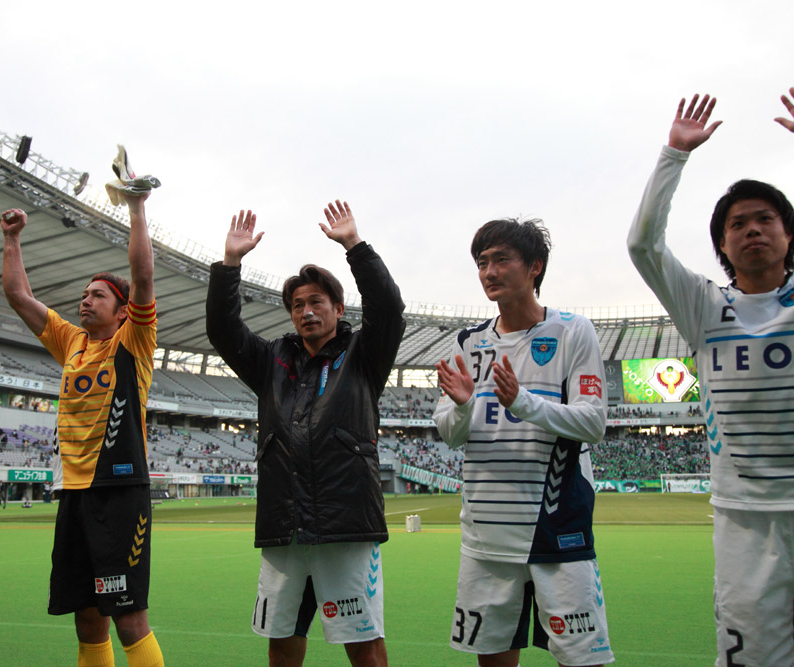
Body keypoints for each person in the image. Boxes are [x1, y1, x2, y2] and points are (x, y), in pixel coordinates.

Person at [628, 90, 794, 666]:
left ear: (789, 235)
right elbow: (643, 245)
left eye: (766, 219)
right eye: (738, 223)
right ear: (722, 244)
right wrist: (674, 154)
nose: (753, 230)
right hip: (744, 520)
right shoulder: (704, 307)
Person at [206, 201, 405, 667]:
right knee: (282, 640)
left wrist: (354, 246)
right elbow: (223, 330)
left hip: (346, 526)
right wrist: (229, 265)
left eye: (317, 302)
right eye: (298, 305)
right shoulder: (271, 361)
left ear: (338, 307)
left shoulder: (362, 355)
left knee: (364, 644)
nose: (307, 312)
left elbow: (390, 309)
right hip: (284, 526)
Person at [433, 218, 612, 666]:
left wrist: (523, 402)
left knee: (580, 659)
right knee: (492, 658)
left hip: (558, 532)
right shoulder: (467, 342)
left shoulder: (573, 331)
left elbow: (593, 423)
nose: (489, 271)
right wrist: (461, 406)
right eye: (481, 262)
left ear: (535, 267)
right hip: (485, 537)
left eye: (500, 259)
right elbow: (450, 435)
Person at [0, 188, 163, 666]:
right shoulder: (71, 342)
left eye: (98, 296)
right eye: (84, 294)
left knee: (129, 616)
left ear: (122, 311)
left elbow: (143, 275)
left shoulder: (134, 340)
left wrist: (135, 209)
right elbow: (17, 295)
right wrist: (11, 239)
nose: (85, 300)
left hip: (118, 490)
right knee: (87, 616)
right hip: (73, 492)